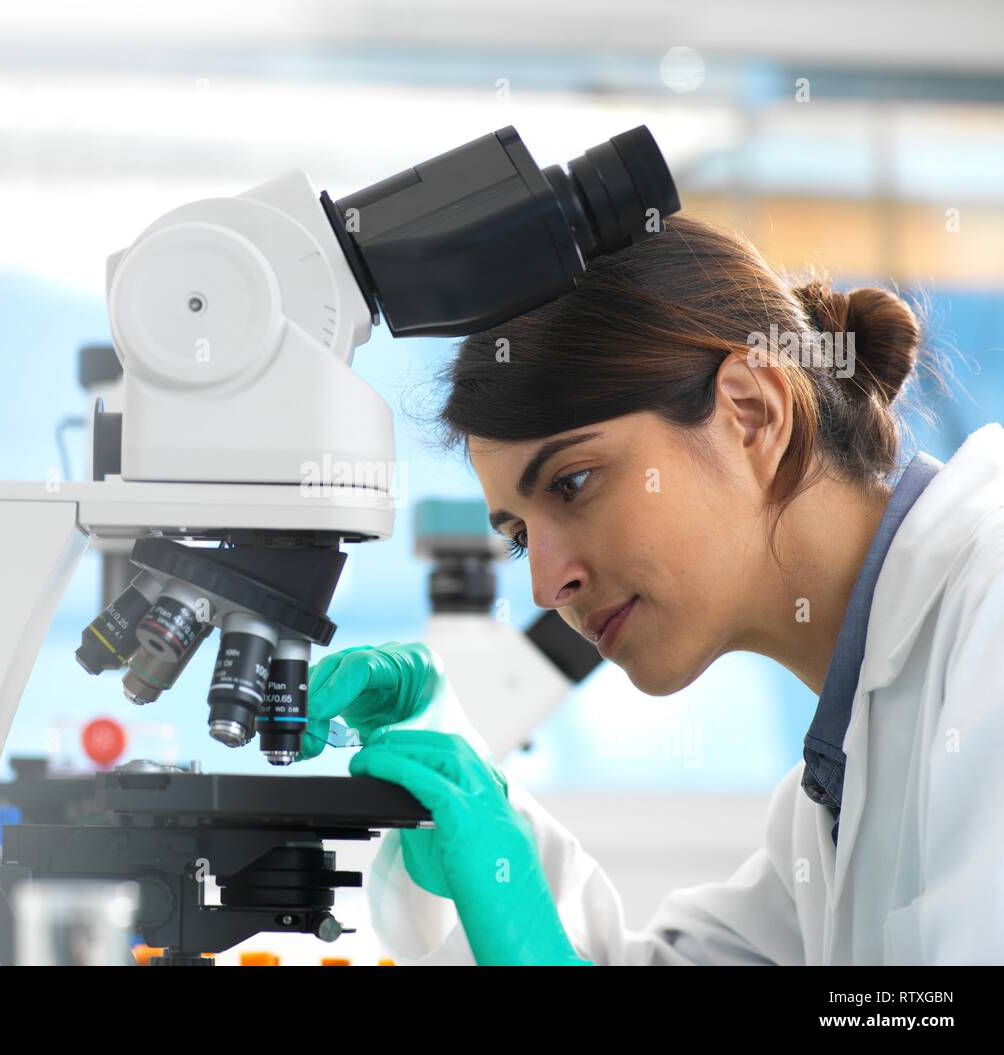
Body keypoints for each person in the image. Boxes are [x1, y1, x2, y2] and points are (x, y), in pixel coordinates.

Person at [298, 213, 1004, 966]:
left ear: (751, 412)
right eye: (519, 534)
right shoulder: (830, 796)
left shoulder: (987, 610)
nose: (545, 583)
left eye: (573, 482)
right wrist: (466, 796)